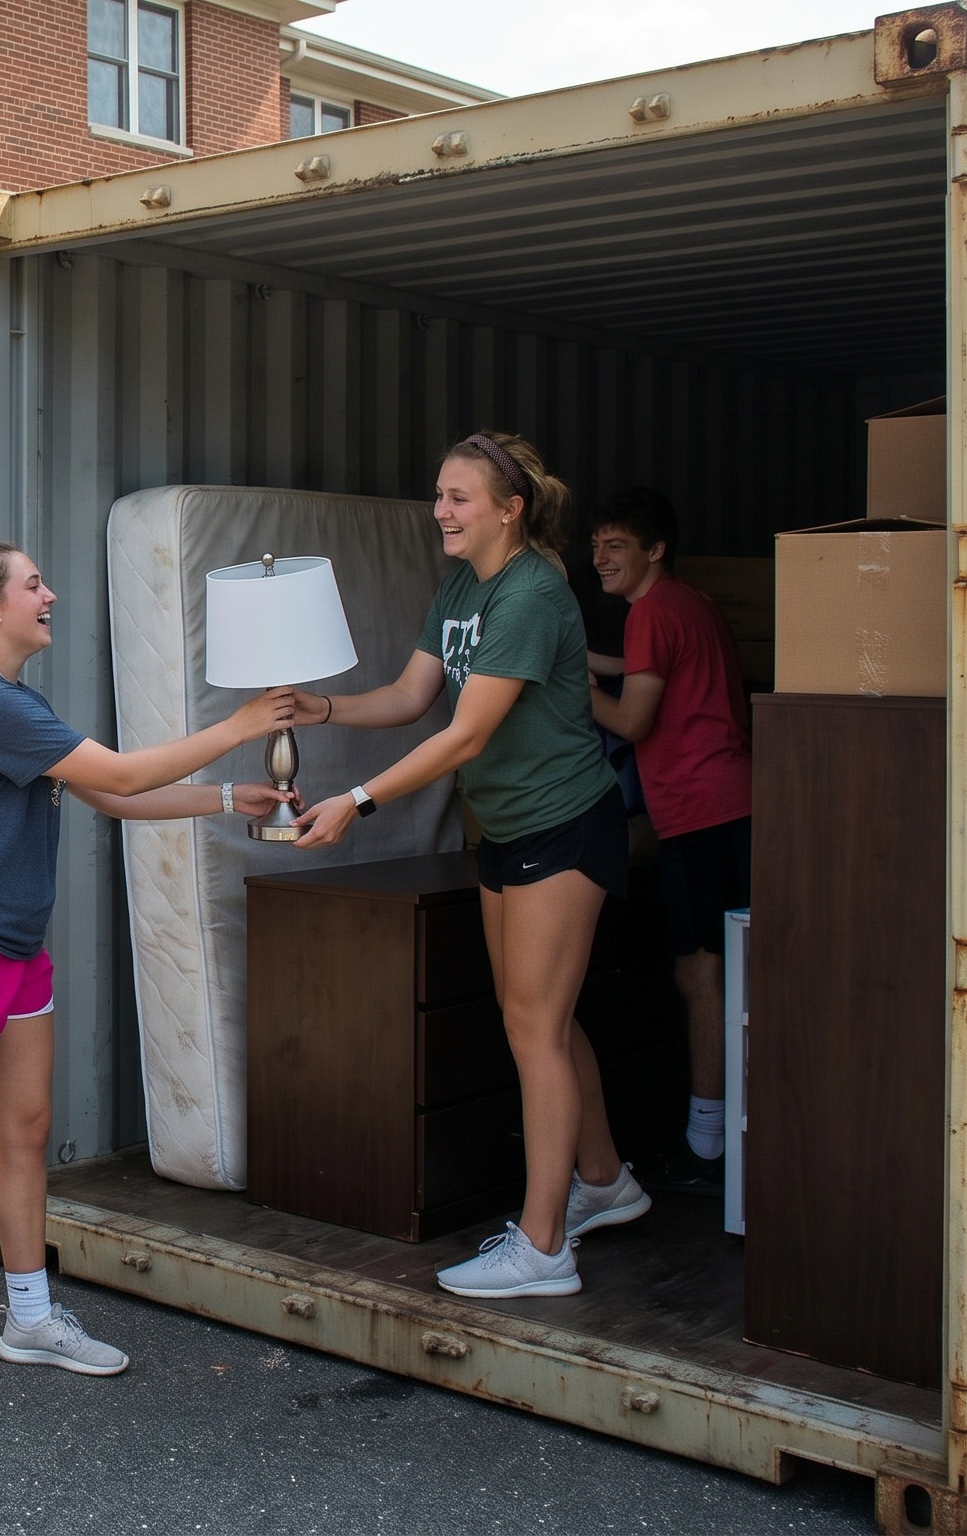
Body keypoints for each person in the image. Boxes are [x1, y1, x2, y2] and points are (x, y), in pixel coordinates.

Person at [0, 542, 299, 1419]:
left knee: (26, 1131)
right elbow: (121, 773)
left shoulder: (11, 700)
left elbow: (115, 800)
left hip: (13, 943)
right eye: (33, 584)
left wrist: (226, 798)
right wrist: (239, 727)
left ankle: (31, 1319)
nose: (50, 594)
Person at [290, 432, 647, 1300]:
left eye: (458, 498)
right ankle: (605, 1183)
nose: (441, 511)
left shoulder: (532, 591)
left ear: (509, 508)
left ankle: (544, 1246)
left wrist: (357, 801)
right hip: (510, 826)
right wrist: (323, 706)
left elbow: (467, 732)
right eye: (439, 495)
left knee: (534, 1029)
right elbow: (416, 697)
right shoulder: (461, 584)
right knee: (540, 1022)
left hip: (566, 823)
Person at [587, 489, 751, 1195]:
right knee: (724, 965)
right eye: (595, 546)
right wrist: (580, 655)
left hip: (701, 810)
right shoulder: (687, 602)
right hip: (731, 803)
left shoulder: (650, 613)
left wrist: (564, 684)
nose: (598, 559)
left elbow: (630, 720)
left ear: (655, 550)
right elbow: (642, 672)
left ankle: (707, 1139)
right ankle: (722, 1127)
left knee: (700, 972)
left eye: (615, 546)